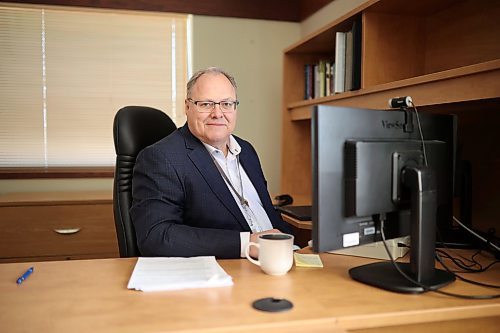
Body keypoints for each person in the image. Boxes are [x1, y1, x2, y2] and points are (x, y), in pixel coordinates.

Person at [131, 67, 292, 259]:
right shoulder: (160, 158)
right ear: (187, 106)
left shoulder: (246, 150)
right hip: (231, 270)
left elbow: (268, 215)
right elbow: (157, 237)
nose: (218, 113)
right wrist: (246, 244)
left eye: (226, 103)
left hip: (281, 260)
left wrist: (299, 245)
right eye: (206, 104)